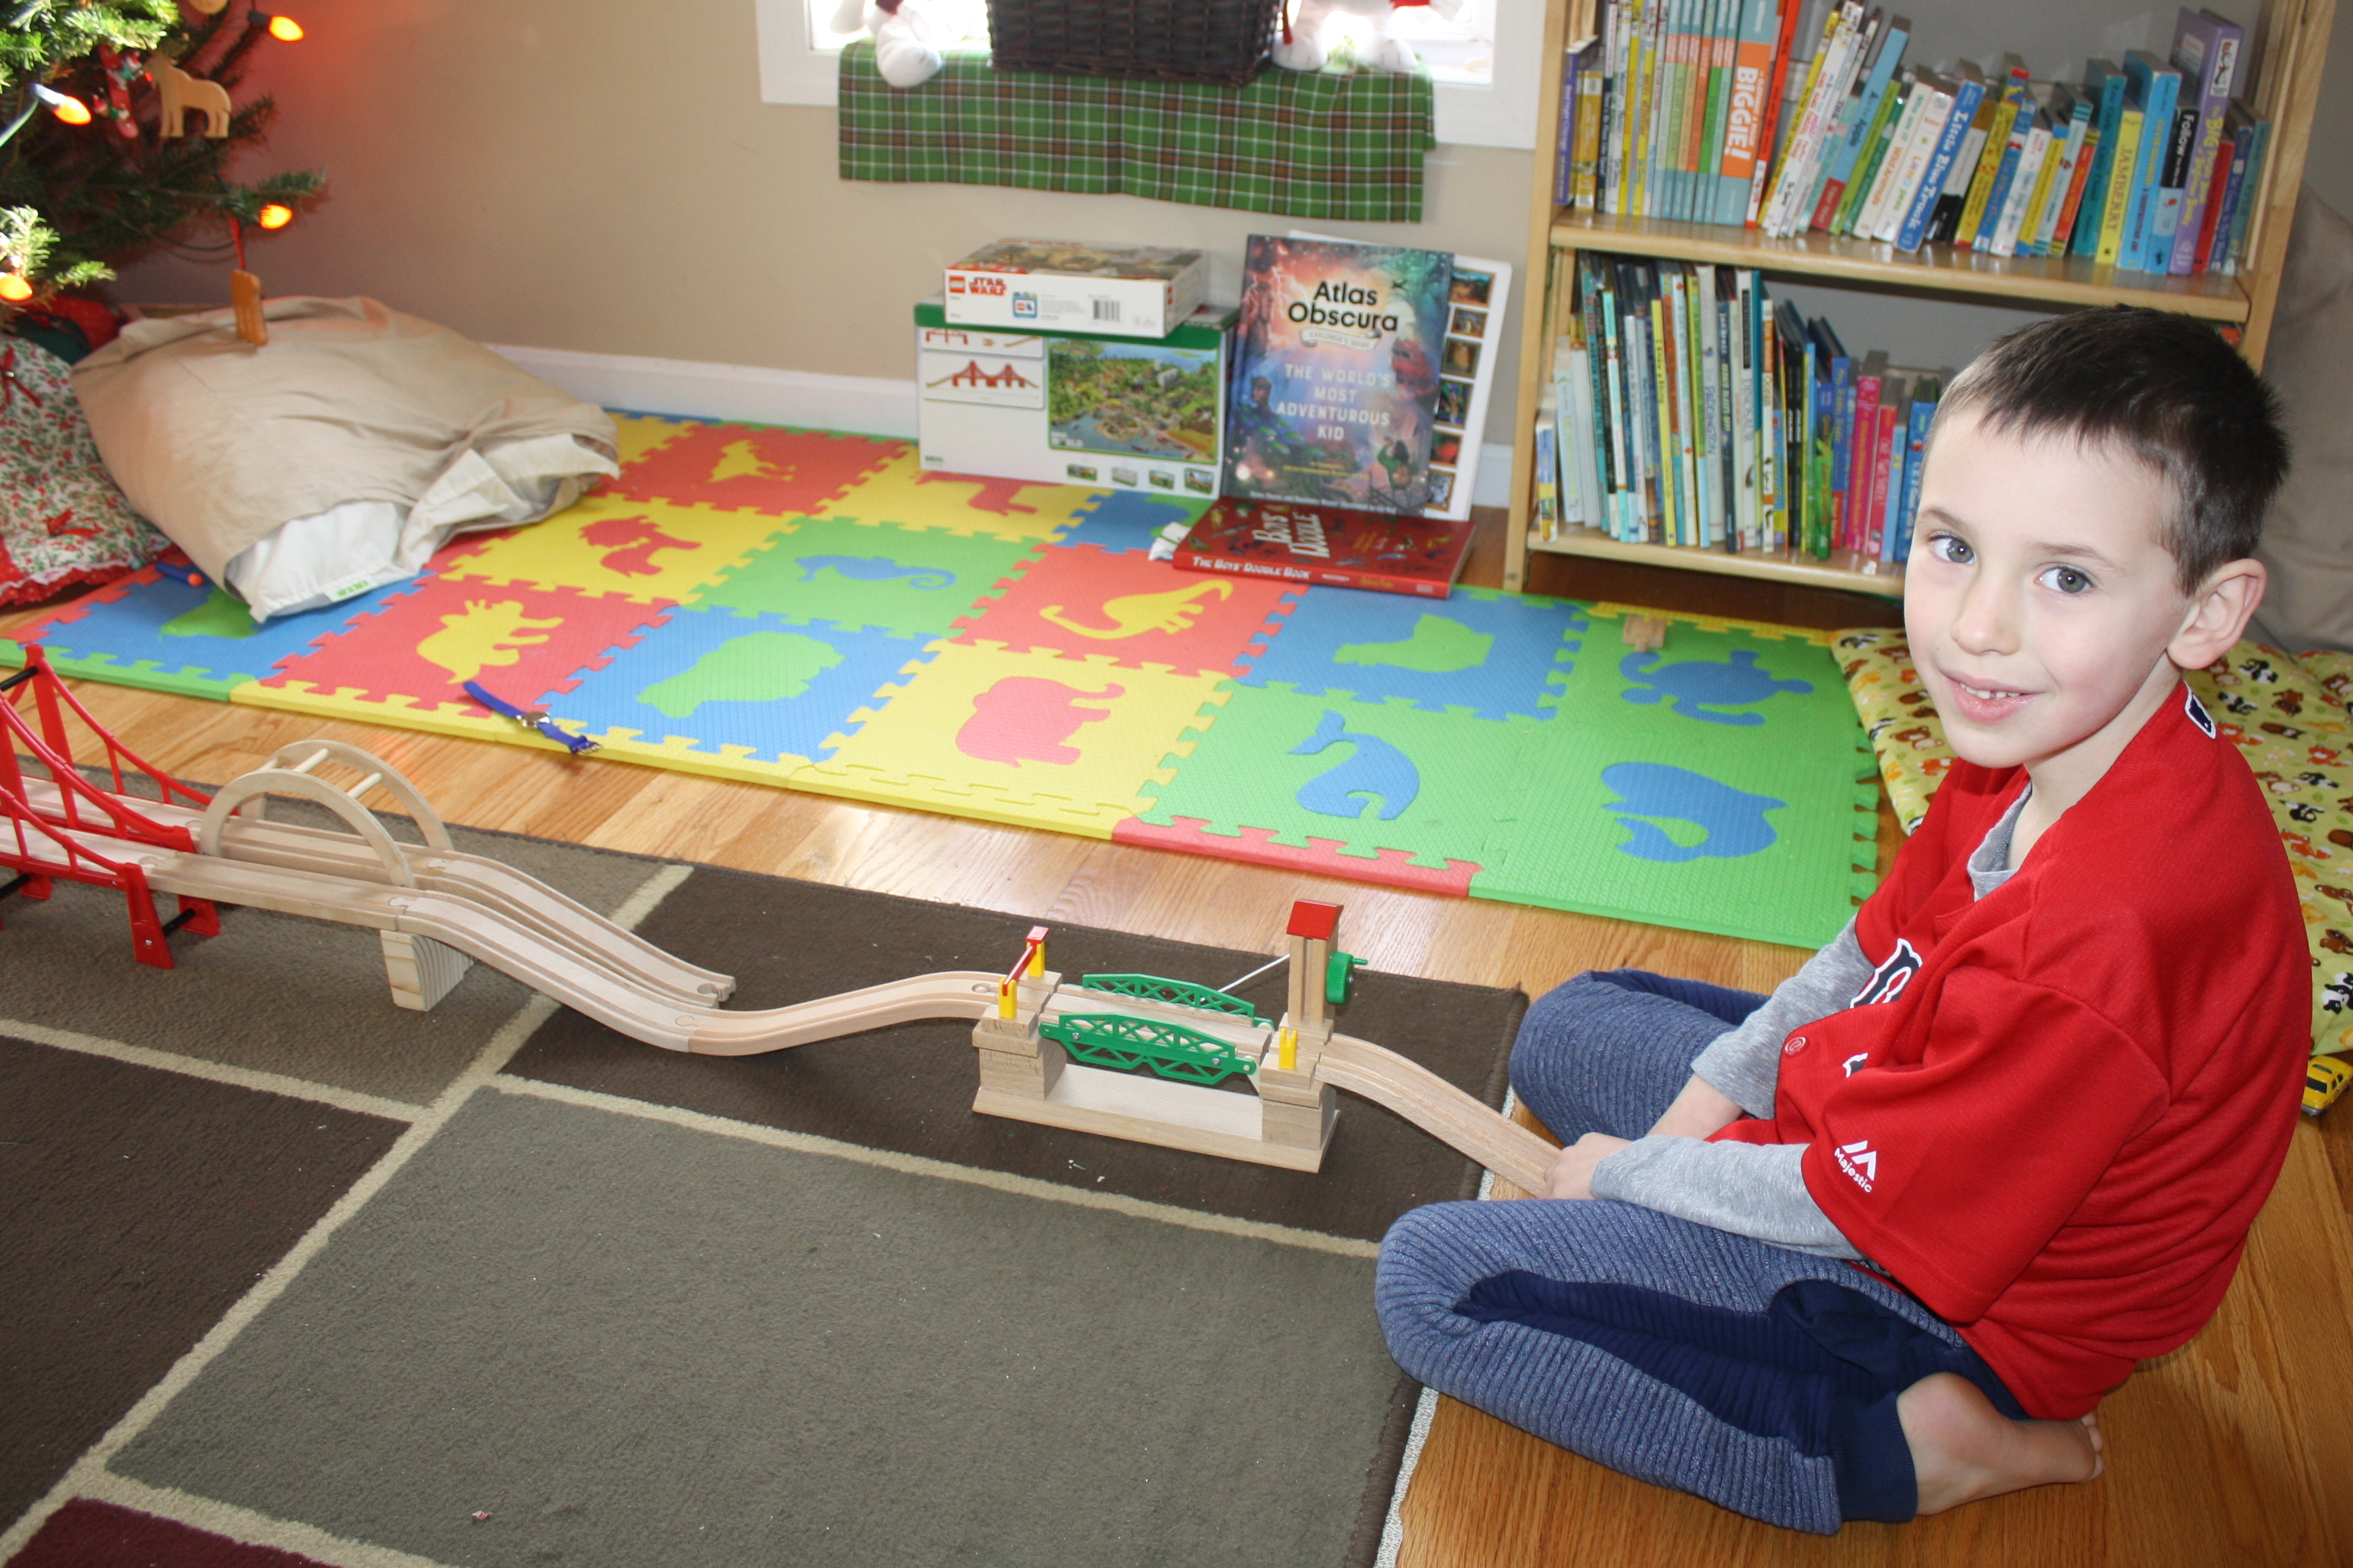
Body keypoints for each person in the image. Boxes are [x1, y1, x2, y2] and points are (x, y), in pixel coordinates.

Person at [1375, 306, 2307, 1534]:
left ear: (2205, 613)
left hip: (1965, 1304)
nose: (1977, 627)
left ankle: (1906, 1447)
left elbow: (1846, 1206)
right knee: (1569, 1023)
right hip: (1907, 1126)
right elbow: (1874, 954)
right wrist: (1700, 1116)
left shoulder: (2099, 938)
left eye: (2066, 578)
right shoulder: (2045, 729)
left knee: (1433, 1282)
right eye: (1953, 547)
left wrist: (1642, 1173)